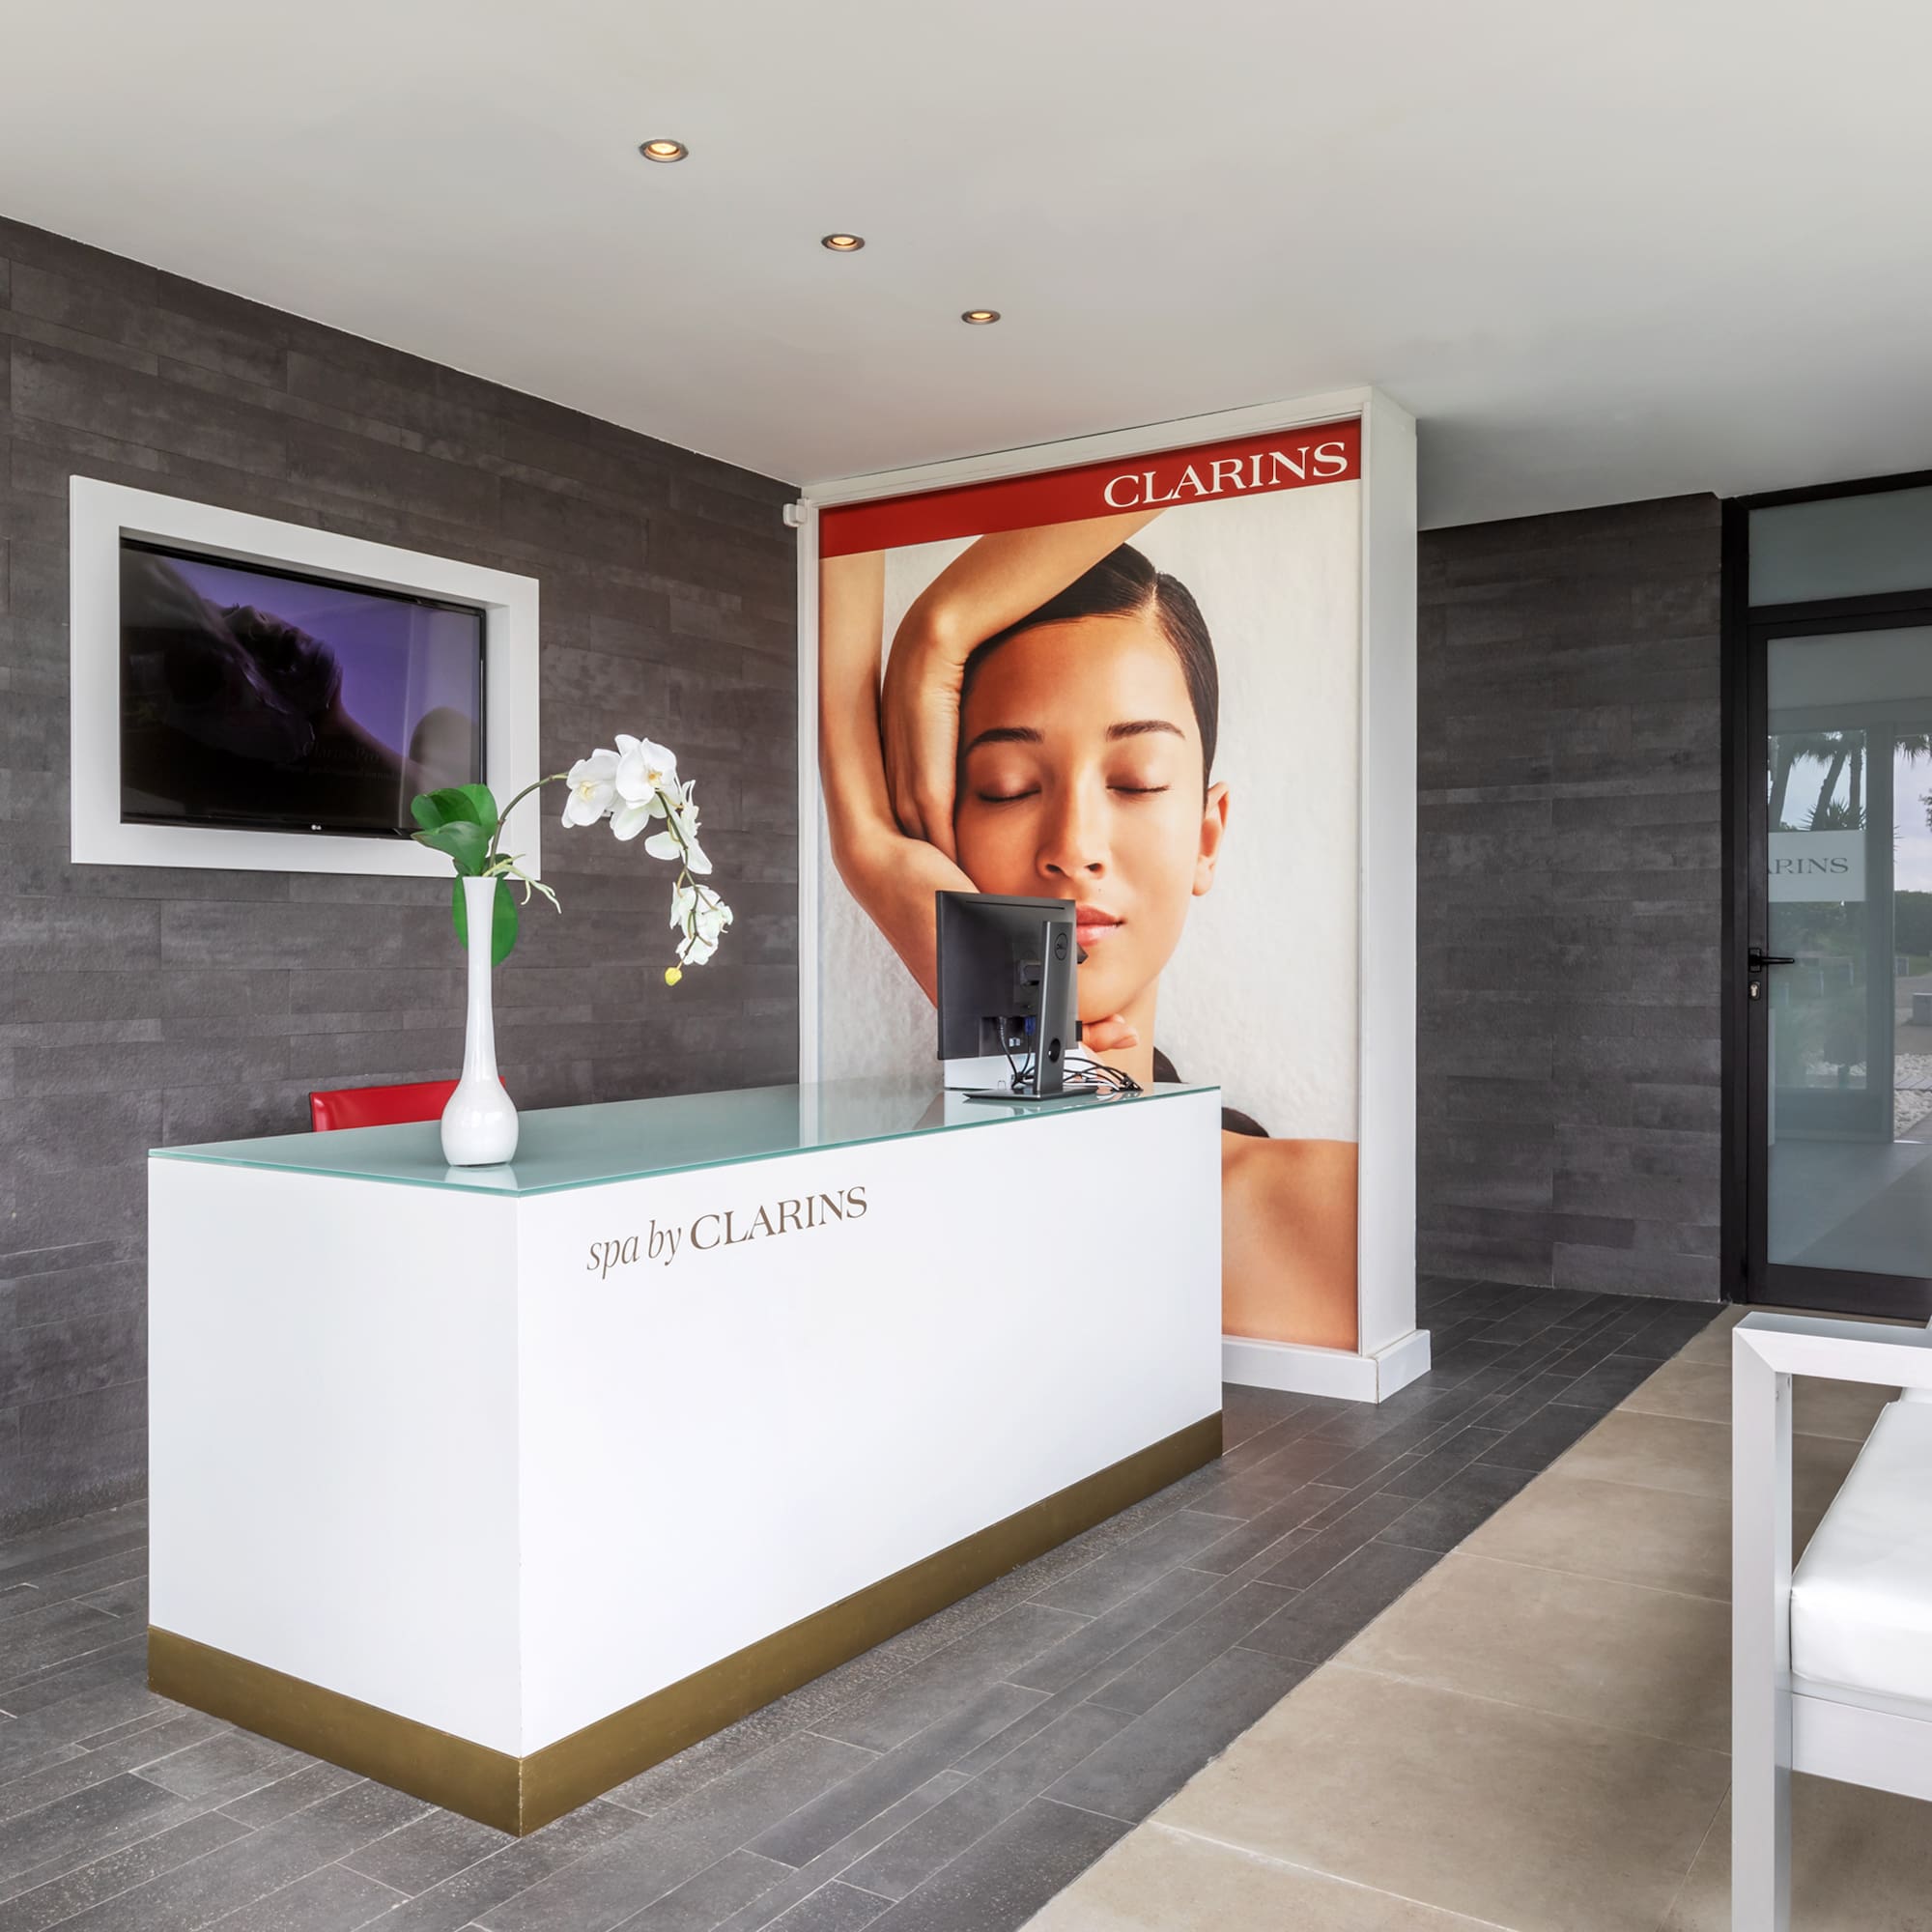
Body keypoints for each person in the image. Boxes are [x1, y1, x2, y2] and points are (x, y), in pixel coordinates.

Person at [820, 515, 1359, 1350]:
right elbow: (826, 490)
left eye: (1137, 782)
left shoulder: (1336, 1214)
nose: (1074, 847)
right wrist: (866, 843)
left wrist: (941, 627)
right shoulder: (860, 1215)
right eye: (1005, 787)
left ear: (1207, 838)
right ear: (939, 830)